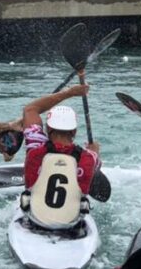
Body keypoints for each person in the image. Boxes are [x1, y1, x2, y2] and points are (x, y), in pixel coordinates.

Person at [19, 84, 101, 229]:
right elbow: (95, 163)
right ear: (74, 131)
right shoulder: (89, 158)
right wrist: (95, 151)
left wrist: (69, 93)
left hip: (36, 220)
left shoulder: (35, 149)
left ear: (48, 128)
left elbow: (30, 109)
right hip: (71, 223)